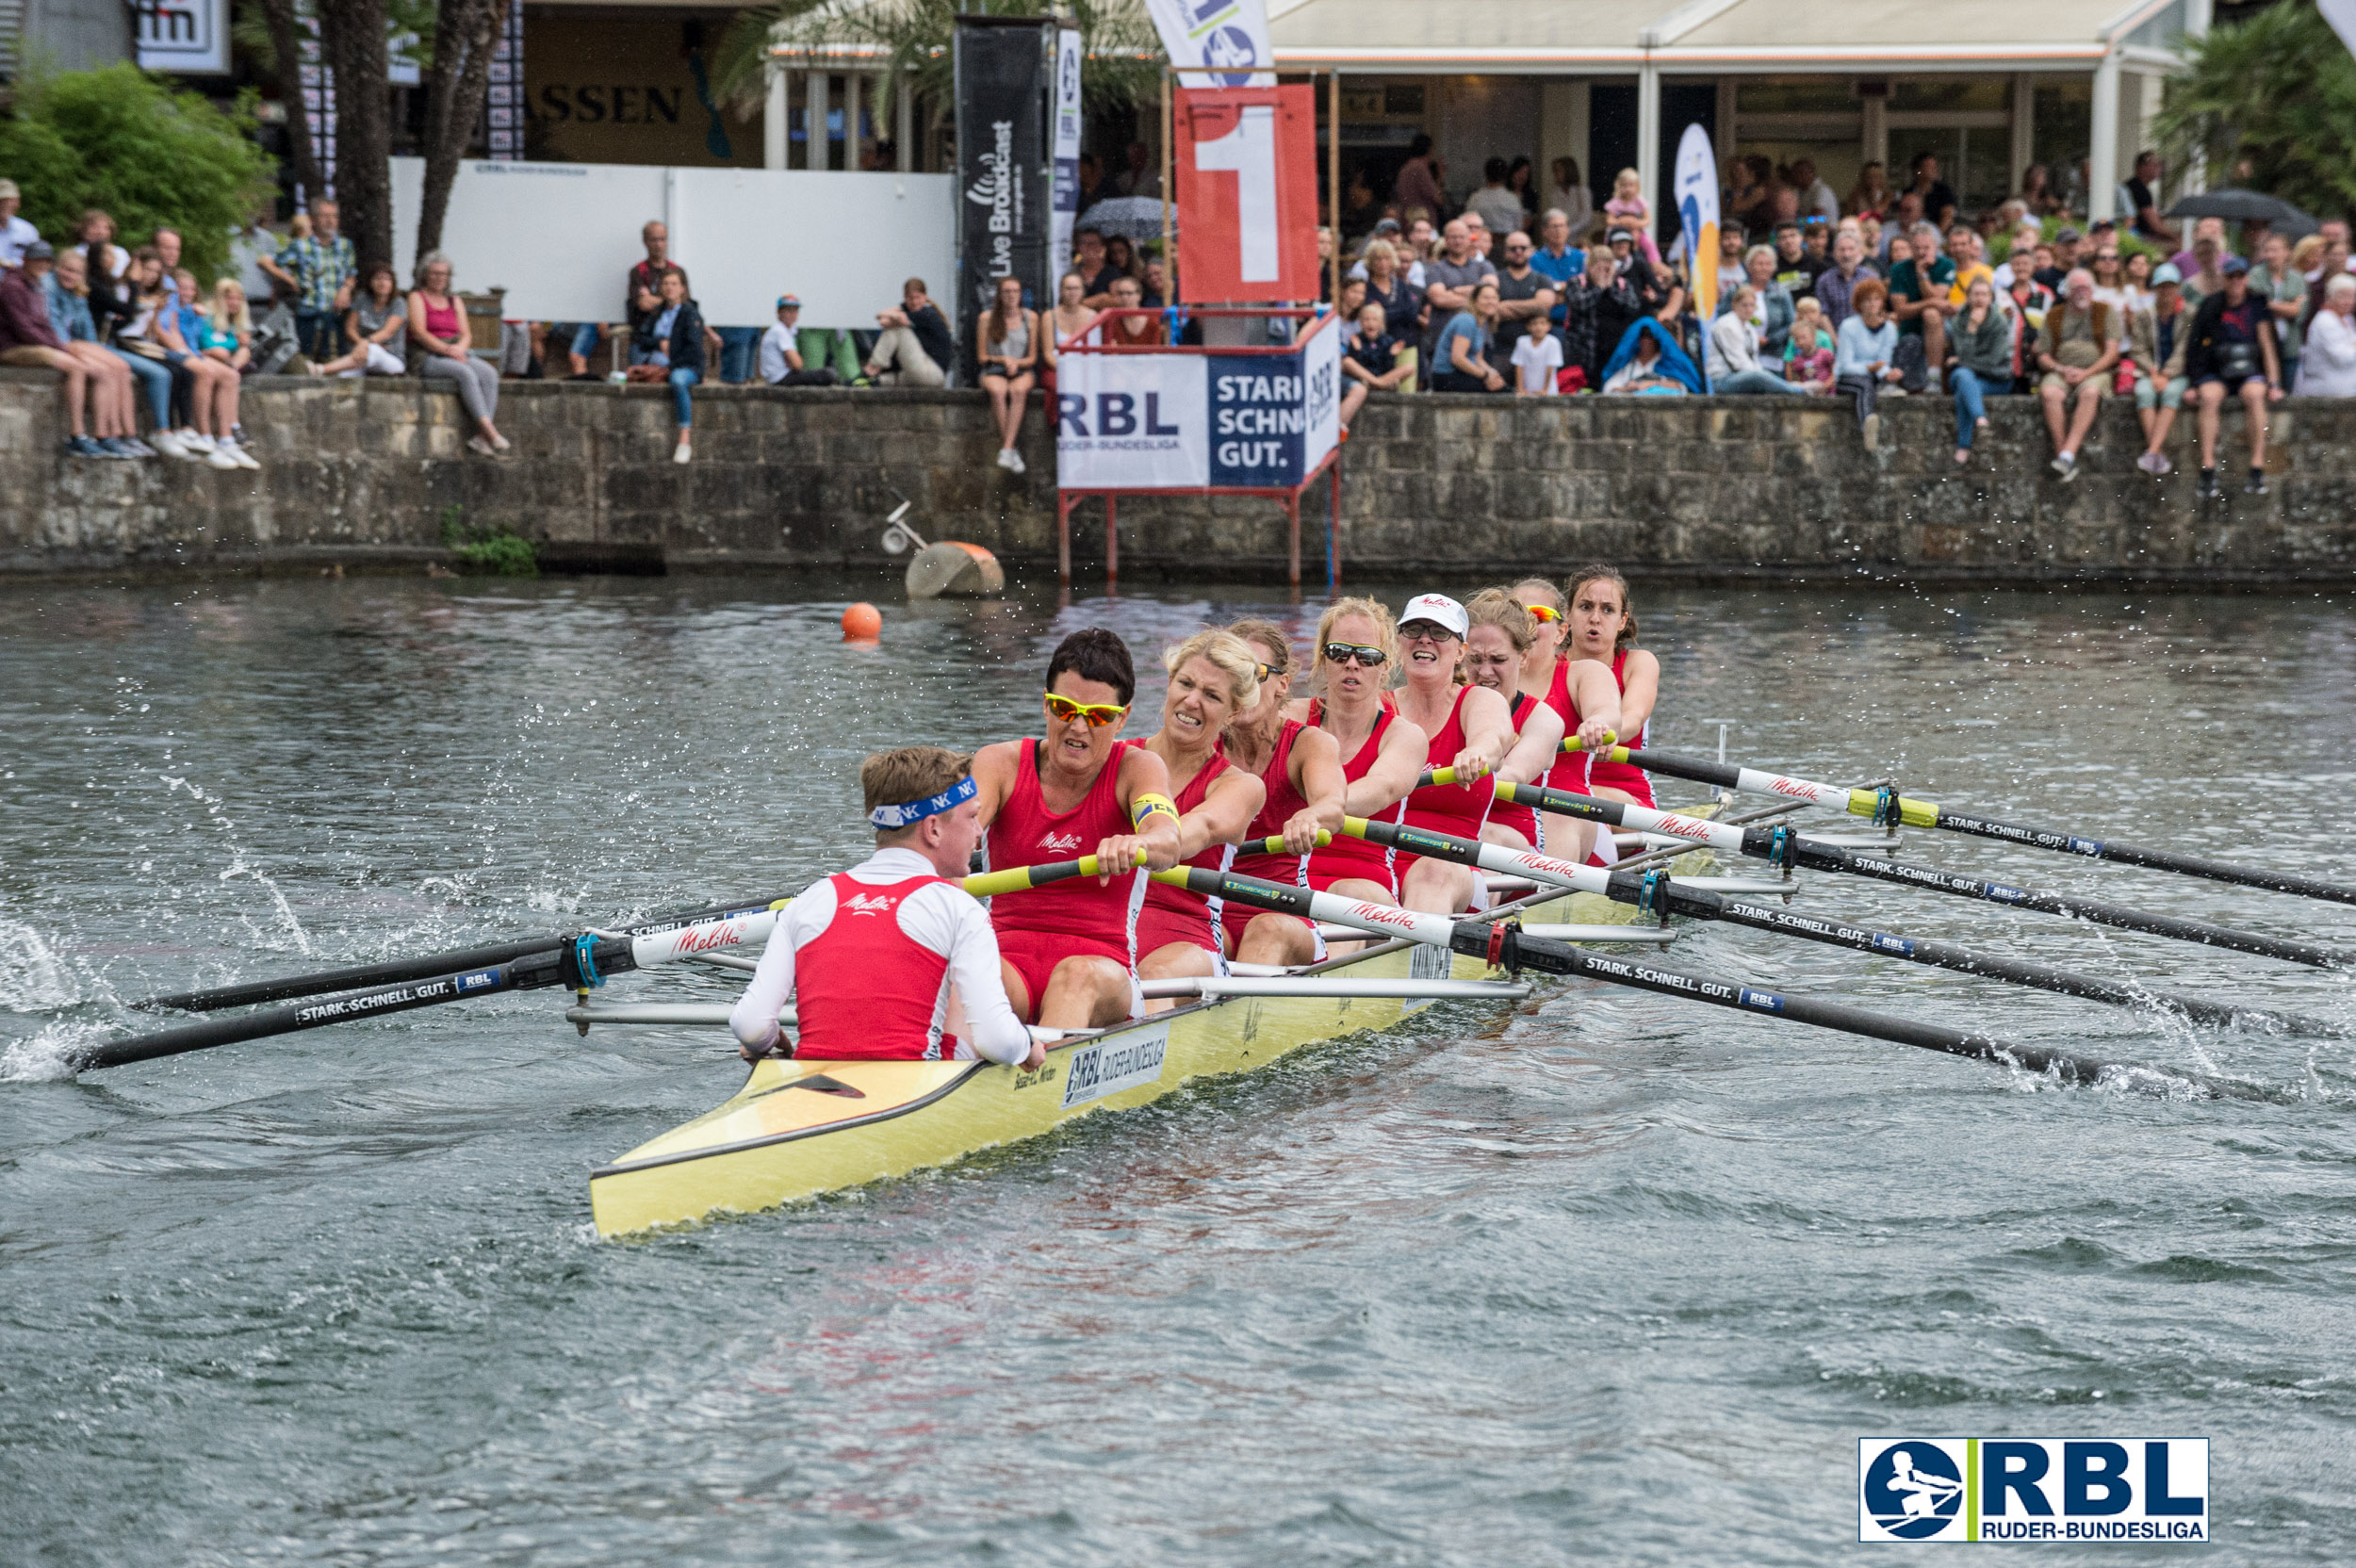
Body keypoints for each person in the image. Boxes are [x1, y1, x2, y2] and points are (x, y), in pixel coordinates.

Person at [728, 746, 1041, 1070]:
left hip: (811, 1080)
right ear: (933, 829)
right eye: (973, 817)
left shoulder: (812, 899)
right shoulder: (958, 908)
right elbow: (997, 1042)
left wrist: (768, 1043)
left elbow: (749, 1025)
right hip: (913, 1087)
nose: (979, 833)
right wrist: (1027, 1046)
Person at [971, 629, 1182, 1028]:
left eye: (1099, 716)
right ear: (1046, 706)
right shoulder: (998, 764)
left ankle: (1043, 1080)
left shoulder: (1137, 768)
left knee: (1074, 976)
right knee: (959, 966)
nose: (1079, 728)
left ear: (1123, 719)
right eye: (1065, 709)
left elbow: (1167, 840)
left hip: (1101, 971)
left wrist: (1139, 841)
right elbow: (961, 835)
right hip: (1008, 964)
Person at [1132, 632, 1268, 1007]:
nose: (1192, 701)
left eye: (1212, 695)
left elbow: (1199, 828)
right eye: (1186, 684)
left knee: (1152, 982)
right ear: (1169, 683)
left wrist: (1146, 843)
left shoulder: (1240, 787)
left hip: (1187, 943)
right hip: (1103, 931)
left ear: (1234, 712)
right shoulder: (1116, 760)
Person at [1217, 619, 1346, 969]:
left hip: (1283, 912)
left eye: (1256, 674)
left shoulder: (1309, 744)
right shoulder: (1198, 746)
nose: (1244, 686)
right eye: (1232, 672)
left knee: (1265, 928)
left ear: (1282, 685)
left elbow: (1333, 806)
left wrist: (1310, 816)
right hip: (1208, 911)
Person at [1285, 597, 1426, 911]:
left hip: (1363, 884)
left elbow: (1381, 789)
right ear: (1323, 659)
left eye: (1366, 656)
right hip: (1286, 877)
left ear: (1386, 665)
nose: (1351, 663)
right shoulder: (1289, 719)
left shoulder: (1404, 736)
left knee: (1347, 894)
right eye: (1339, 652)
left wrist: (1319, 810)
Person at [1383, 593, 1512, 916]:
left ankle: (1419, 961)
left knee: (1431, 872)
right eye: (1414, 629)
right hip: (1376, 865)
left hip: (1453, 869)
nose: (1424, 639)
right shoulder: (1376, 706)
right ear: (1399, 643)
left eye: (1439, 633)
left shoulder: (1479, 700)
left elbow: (1492, 737)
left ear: (1461, 652)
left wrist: (1476, 753)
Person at [1505, 579, 1618, 863]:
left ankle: (1547, 898)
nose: (1527, 625)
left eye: (1539, 616)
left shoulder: (1583, 673)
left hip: (1569, 816)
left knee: (1556, 816)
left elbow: (1607, 712)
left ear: (1561, 632)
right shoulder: (1483, 681)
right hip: (1502, 818)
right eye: (1517, 616)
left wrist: (1597, 724)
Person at [1459, 590, 1563, 855]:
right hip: (1446, 834)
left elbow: (1515, 775)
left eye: (1498, 660)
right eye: (1476, 660)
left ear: (1524, 657)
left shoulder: (1543, 719)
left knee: (1485, 836)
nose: (1484, 672)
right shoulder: (1443, 706)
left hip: (1513, 845)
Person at [120, 249, 239, 465]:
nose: (152, 275)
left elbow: (165, 326)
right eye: (148, 270)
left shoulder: (167, 296)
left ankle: (221, 437)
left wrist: (186, 352)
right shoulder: (129, 289)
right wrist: (185, 353)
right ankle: (182, 431)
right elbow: (153, 329)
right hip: (129, 344)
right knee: (181, 372)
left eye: (156, 271)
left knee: (222, 375)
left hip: (150, 344)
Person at [1561, 564, 1661, 813]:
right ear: (1567, 615)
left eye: (1607, 610)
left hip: (1626, 798)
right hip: (1557, 793)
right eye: (1585, 607)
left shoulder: (1638, 663)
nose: (1595, 618)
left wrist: (1609, 730)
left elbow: (1633, 718)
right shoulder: (1547, 667)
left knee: (1570, 799)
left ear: (1622, 621)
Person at [2184, 255, 2286, 498]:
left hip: (2250, 370)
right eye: (2231, 276)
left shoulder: (2257, 304)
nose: (2236, 281)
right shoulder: (2211, 305)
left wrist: (2274, 383)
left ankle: (2257, 466)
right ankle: (2207, 467)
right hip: (2216, 370)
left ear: (2247, 278)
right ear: (2224, 278)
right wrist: (2193, 383)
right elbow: (2196, 345)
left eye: (2240, 275)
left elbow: (2267, 345)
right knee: (2208, 398)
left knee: (2254, 396)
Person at [0, 242, 108, 457]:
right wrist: (58, 348)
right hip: (12, 347)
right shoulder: (12, 286)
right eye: (37, 260)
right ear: (25, 260)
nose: (42, 265)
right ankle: (76, 436)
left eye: (46, 261)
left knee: (81, 365)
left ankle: (92, 436)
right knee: (76, 368)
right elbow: (24, 328)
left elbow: (43, 324)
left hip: (31, 343)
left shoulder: (36, 285)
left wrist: (59, 346)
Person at [40, 247, 149, 458]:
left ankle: (117, 435)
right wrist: (84, 351)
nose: (70, 275)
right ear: (57, 267)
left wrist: (93, 349)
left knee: (121, 367)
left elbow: (87, 328)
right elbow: (53, 327)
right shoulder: (47, 286)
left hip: (76, 343)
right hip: (57, 342)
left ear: (83, 275)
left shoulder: (79, 292)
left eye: (76, 272)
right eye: (66, 269)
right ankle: (101, 435)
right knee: (104, 369)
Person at [409, 252, 509, 459]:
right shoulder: (417, 298)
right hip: (429, 355)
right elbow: (419, 332)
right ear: (425, 275)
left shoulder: (455, 301)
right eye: (435, 273)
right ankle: (489, 430)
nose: (439, 278)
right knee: (465, 374)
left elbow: (466, 334)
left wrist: (459, 349)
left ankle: (481, 438)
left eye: (443, 274)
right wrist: (447, 350)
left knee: (489, 373)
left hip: (455, 352)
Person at [2031, 268, 2119, 482]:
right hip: (2062, 369)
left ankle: (2067, 454)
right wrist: (2060, 369)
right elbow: (2042, 355)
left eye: (2086, 288)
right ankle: (2065, 456)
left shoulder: (2105, 312)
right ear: (2067, 292)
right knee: (2050, 392)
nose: (2082, 292)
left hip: (2095, 371)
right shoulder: (2054, 315)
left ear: (2093, 290)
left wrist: (2086, 373)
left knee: (2090, 392)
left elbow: (2112, 353)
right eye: (2077, 288)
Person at [263, 198, 355, 362]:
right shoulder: (300, 246)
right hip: (307, 316)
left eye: (334, 216)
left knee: (332, 364)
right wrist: (289, 279)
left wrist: (346, 288)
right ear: (313, 220)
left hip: (334, 317)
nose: (330, 221)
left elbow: (351, 273)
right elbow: (265, 261)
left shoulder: (344, 245)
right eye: (325, 216)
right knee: (306, 365)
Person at [633, 265, 707, 464]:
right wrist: (660, 342)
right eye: (665, 284)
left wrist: (670, 367)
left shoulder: (690, 313)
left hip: (684, 367)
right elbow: (640, 337)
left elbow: (693, 348)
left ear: (682, 288)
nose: (669, 288)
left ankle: (684, 439)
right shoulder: (657, 312)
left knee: (678, 381)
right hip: (655, 364)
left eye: (674, 284)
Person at [2130, 263, 2193, 475]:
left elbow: (2186, 348)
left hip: (2177, 372)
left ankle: (2153, 451)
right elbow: (2138, 348)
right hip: (2151, 371)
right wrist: (2153, 371)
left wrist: (2167, 373)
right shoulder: (2145, 315)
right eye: (2162, 286)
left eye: (2170, 286)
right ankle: (2156, 453)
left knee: (2172, 392)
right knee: (2144, 392)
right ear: (2155, 288)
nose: (2166, 291)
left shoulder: (2188, 314)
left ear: (2177, 287)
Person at [1423, 218, 1497, 384]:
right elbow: (1439, 298)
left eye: (1461, 237)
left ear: (1469, 239)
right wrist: (1478, 296)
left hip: (1479, 343)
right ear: (1445, 240)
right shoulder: (1435, 268)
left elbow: (1492, 288)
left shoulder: (1484, 266)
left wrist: (1455, 291)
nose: (1457, 241)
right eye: (1453, 237)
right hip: (1443, 343)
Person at [976, 273, 1038, 473]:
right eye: (1007, 291)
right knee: (998, 391)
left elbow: (1032, 358)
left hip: (1022, 368)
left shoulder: (1030, 317)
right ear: (1000, 295)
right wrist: (1004, 360)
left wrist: (1016, 363)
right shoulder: (986, 318)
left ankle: (1008, 448)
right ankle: (1010, 450)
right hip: (995, 367)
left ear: (1021, 294)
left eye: (1015, 291)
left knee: (1018, 391)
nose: (1011, 295)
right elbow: (982, 357)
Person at [1945, 276, 2009, 466]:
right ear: (1968, 297)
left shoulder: (1999, 322)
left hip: (1995, 379)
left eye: (1984, 294)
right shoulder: (1959, 321)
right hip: (1968, 376)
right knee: (1963, 376)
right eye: (1976, 294)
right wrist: (1972, 328)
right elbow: (1962, 354)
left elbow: (1994, 361)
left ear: (1991, 298)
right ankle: (1981, 421)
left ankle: (1963, 448)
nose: (1980, 299)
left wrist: (1962, 361)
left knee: (1963, 391)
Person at [1835, 278, 1905, 446]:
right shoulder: (1848, 326)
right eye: (1867, 299)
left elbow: (1884, 361)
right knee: (1864, 385)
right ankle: (1866, 426)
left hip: (1874, 375)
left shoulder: (1889, 329)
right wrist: (1869, 367)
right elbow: (1845, 365)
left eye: (1876, 299)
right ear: (1859, 303)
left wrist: (1888, 373)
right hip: (1848, 378)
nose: (1872, 303)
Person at [1886, 221, 1953, 391]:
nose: (1922, 252)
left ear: (1935, 246)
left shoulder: (1947, 265)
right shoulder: (1898, 269)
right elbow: (1900, 311)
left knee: (1931, 314)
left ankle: (1934, 377)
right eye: (1917, 248)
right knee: (1930, 309)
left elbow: (1939, 297)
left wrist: (1922, 274)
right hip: (1910, 326)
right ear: (1910, 247)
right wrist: (1930, 302)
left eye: (1926, 247)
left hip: (1941, 327)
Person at [310, 262, 407, 378]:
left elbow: (388, 332)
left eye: (387, 279)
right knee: (344, 377)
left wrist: (365, 343)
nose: (382, 283)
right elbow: (350, 328)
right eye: (378, 278)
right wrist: (361, 343)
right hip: (361, 356)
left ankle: (321, 369)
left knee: (373, 350)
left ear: (393, 283)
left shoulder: (399, 303)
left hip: (391, 358)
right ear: (370, 282)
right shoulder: (362, 299)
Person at [1559, 249, 1634, 392]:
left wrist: (1610, 287)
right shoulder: (1577, 282)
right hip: (1583, 348)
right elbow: (1579, 303)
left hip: (1614, 347)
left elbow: (1632, 308)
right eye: (1598, 268)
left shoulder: (1622, 284)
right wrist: (1598, 288)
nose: (1603, 272)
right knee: (1586, 389)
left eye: (1607, 267)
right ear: (1589, 266)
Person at [1486, 231, 1557, 381]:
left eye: (1523, 248)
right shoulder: (1497, 278)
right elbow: (1493, 309)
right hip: (1501, 350)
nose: (1518, 251)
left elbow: (1543, 305)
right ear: (1505, 253)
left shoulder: (1541, 279)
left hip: (1535, 351)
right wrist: (1531, 309)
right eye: (1513, 248)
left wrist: (1507, 305)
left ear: (1531, 251)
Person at [863, 276, 952, 387]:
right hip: (921, 374)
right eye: (910, 298)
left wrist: (894, 314)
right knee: (880, 381)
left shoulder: (928, 314)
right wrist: (894, 314)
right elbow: (882, 320)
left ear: (925, 297)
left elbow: (892, 320)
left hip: (932, 373)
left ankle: (872, 367)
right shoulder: (908, 311)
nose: (914, 302)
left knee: (899, 329)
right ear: (905, 298)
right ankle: (869, 379)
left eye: (917, 297)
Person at [1707, 283, 1792, 395]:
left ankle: (1794, 388)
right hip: (1724, 380)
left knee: (1764, 375)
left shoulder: (1749, 328)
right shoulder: (1726, 325)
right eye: (1744, 305)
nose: (1748, 309)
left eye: (1752, 305)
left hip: (1743, 376)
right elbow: (1738, 363)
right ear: (1734, 305)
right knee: (1759, 376)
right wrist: (1764, 378)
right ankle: (1797, 390)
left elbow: (1754, 360)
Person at [2248, 232, 2308, 392]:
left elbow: (2299, 312)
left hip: (2289, 346)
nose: (2270, 255)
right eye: (2267, 250)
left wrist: (2271, 305)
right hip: (2262, 345)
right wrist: (2288, 306)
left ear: (2287, 252)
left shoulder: (2297, 278)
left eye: (2274, 250)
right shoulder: (2256, 275)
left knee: (2287, 392)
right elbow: (2257, 307)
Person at [1720, 244, 1794, 359]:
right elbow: (1723, 319)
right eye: (1759, 264)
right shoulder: (1735, 290)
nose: (1764, 268)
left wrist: (1769, 340)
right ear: (1749, 267)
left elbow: (1791, 324)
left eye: (1768, 264)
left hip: (1773, 355)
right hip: (1738, 354)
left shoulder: (1781, 292)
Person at [1342, 300, 1409, 425]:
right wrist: (1358, 351)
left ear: (1381, 323)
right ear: (1361, 323)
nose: (1370, 323)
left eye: (1374, 319)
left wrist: (1391, 355)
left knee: (1409, 368)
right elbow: (1358, 365)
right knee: (1348, 362)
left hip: (1380, 376)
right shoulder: (1357, 339)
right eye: (1366, 320)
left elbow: (1386, 367)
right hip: (1365, 378)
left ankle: (1379, 383)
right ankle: (1380, 384)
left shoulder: (1387, 340)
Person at [1433, 280, 1506, 393]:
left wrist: (1492, 373)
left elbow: (1478, 358)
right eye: (1486, 298)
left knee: (1502, 386)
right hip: (1447, 376)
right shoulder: (1467, 320)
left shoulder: (1481, 324)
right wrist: (1485, 375)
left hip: (1462, 374)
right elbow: (1457, 358)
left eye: (1494, 298)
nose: (1490, 302)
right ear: (1474, 301)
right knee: (1502, 391)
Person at [1598, 318, 1698, 395]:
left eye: (1650, 335)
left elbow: (1682, 387)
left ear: (1656, 338)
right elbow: (1608, 388)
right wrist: (1628, 389)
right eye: (1642, 334)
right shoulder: (1629, 364)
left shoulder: (1667, 362)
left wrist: (1651, 384)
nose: (1646, 339)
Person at [2294, 274, 2356, 397]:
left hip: (2345, 382)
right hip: (2329, 386)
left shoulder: (2347, 319)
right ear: (2330, 297)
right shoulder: (2325, 320)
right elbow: (2343, 358)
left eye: (2352, 296)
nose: (2348, 301)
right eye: (2343, 296)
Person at [757, 295, 839, 386]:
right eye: (788, 310)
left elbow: (793, 363)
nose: (792, 314)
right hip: (781, 378)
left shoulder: (783, 330)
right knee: (828, 374)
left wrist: (791, 361)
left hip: (779, 377)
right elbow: (797, 364)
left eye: (795, 310)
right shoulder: (780, 331)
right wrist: (792, 361)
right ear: (779, 313)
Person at [1815, 225, 1879, 334]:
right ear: (1834, 253)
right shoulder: (1824, 281)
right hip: (1836, 338)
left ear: (1859, 251)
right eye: (1842, 250)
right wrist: (1837, 342)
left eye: (1851, 249)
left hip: (1866, 336)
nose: (1846, 254)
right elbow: (1823, 316)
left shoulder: (1871, 277)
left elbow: (1877, 311)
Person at [1358, 238, 1423, 343]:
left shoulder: (1401, 285)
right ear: (1370, 262)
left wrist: (1384, 312)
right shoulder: (1366, 288)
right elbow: (1371, 319)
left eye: (1387, 258)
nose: (1382, 263)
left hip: (1405, 342)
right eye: (1377, 259)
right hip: (1376, 346)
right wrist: (1399, 311)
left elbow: (1412, 313)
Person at [1604, 168, 1660, 265]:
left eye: (1631, 185)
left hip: (1637, 232)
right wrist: (1621, 222)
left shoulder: (1639, 201)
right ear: (1618, 186)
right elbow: (1609, 220)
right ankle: (1607, 260)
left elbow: (1647, 220)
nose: (1627, 189)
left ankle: (1655, 264)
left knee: (1649, 244)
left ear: (1637, 187)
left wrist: (1635, 223)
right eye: (1624, 185)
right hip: (1618, 233)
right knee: (1608, 241)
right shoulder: (1616, 202)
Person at [1782, 296, 1838, 393]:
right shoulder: (1793, 340)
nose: (1809, 316)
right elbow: (1789, 363)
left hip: (1823, 386)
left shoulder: (1825, 338)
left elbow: (1832, 364)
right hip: (1806, 386)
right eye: (1804, 313)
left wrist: (1828, 385)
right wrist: (1789, 385)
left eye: (1813, 312)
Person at [1466, 156, 1525, 239]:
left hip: (1482, 242)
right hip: (1508, 244)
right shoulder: (1512, 199)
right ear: (1505, 175)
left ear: (1486, 174)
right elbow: (1519, 226)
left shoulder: (1475, 198)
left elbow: (1468, 223)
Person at [1394, 135, 1445, 224]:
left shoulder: (1405, 168)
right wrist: (1441, 176)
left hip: (1408, 220)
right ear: (1429, 150)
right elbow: (1438, 199)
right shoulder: (1420, 169)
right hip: (1422, 223)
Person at [1510, 312, 1562, 396]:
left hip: (1549, 392)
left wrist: (1545, 390)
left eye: (1542, 323)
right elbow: (1519, 367)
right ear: (1528, 326)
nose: (1538, 327)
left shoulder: (1553, 342)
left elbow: (1550, 367)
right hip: (1527, 392)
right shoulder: (1522, 341)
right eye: (1534, 323)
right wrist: (1520, 389)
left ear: (1549, 326)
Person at [1905, 152, 1957, 230]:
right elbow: (1905, 216)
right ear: (1918, 170)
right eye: (1929, 166)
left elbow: (1948, 216)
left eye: (1935, 166)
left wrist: (1937, 237)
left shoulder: (1943, 190)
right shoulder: (1908, 192)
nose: (1934, 170)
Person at [1548, 157, 1593, 238]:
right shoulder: (1555, 193)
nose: (1556, 174)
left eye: (1559, 170)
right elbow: (1554, 215)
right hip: (1560, 237)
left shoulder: (1582, 191)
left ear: (1568, 171)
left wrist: (1568, 230)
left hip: (1578, 238)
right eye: (1555, 171)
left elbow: (1586, 219)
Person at [1791, 158, 1839, 225]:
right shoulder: (1798, 191)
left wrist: (1798, 221)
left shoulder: (1822, 190)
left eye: (1800, 173)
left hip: (1828, 233)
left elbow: (1818, 219)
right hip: (1810, 231)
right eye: (1795, 174)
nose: (1796, 177)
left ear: (1811, 174)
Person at [0, 179, 35, 269]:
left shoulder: (27, 230)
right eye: (2, 200)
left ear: (18, 203)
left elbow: (37, 261)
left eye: (11, 200)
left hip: (19, 281)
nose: (6, 204)